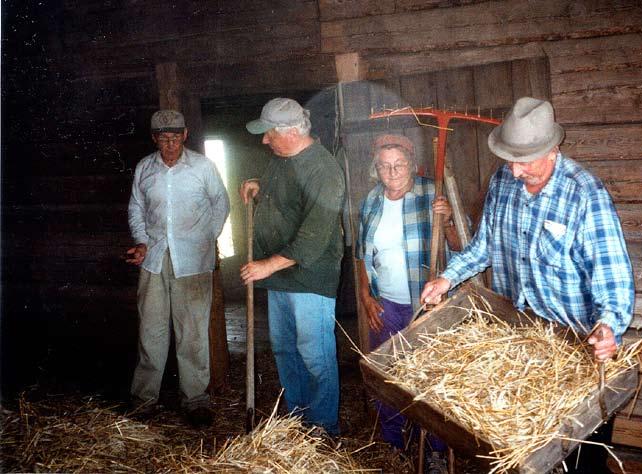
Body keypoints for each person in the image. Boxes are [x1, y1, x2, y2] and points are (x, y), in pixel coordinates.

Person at [420, 97, 634, 473]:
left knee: (579, 460)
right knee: (525, 457)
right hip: (520, 345)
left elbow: (613, 278)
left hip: (575, 351)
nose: (514, 170)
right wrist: (447, 277)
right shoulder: (504, 181)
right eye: (510, 159)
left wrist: (608, 327)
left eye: (524, 160)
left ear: (553, 150)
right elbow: (484, 245)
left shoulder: (585, 195)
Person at [239, 98, 345, 437]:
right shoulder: (281, 158)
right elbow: (285, 196)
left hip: (310, 277)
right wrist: (259, 186)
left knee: (314, 353)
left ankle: (324, 425)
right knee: (285, 349)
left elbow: (313, 238)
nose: (264, 141)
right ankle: (298, 418)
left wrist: (266, 266)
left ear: (293, 132)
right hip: (280, 276)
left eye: (269, 134)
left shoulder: (324, 170)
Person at [356, 134, 459, 473]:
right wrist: (367, 298)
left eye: (399, 164)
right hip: (387, 306)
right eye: (384, 166)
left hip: (429, 307)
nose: (392, 171)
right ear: (376, 169)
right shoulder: (371, 200)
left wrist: (447, 223)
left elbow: (464, 247)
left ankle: (435, 451)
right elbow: (361, 255)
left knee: (431, 380)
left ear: (413, 165)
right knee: (388, 378)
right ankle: (394, 446)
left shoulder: (434, 193)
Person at [126, 110, 230, 428]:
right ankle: (144, 400)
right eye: (163, 138)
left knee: (193, 332)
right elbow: (136, 208)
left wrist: (205, 238)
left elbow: (221, 203)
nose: (169, 145)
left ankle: (195, 400)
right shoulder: (145, 168)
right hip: (154, 260)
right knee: (151, 331)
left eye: (174, 138)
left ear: (184, 136)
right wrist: (142, 241)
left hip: (194, 262)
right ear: (154, 138)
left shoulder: (202, 167)